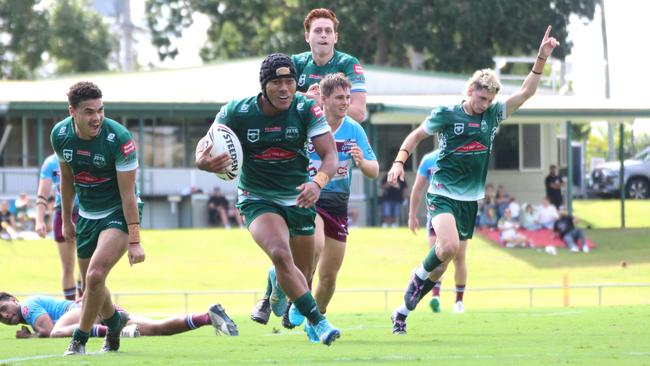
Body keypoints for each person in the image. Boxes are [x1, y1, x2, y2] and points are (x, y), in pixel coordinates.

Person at [386, 26, 559, 335]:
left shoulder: (492, 115)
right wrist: (399, 162)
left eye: (489, 99)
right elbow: (415, 136)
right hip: (441, 194)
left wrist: (541, 58)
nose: (483, 104)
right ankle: (416, 280)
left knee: (443, 261)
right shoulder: (447, 114)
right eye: (480, 98)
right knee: (449, 245)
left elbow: (526, 93)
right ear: (469, 91)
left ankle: (402, 310)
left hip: (470, 200)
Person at [196, 53, 341, 346]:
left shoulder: (305, 108)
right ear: (264, 86)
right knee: (279, 252)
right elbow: (205, 146)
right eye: (277, 82)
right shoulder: (237, 111)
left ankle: (277, 282)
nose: (285, 88)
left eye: (290, 81)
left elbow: (330, 157)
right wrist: (203, 162)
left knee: (302, 274)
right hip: (257, 197)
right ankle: (318, 322)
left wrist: (318, 182)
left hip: (299, 197)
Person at [253, 74, 378, 336]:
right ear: (324, 99)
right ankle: (300, 299)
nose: (346, 103)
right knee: (315, 245)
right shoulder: (308, 123)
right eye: (339, 98)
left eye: (348, 97)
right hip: (310, 197)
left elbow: (374, 170)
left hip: (338, 205)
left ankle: (313, 317)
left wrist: (361, 162)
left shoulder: (354, 129)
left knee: (330, 276)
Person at [50, 81, 146, 355]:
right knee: (93, 283)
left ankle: (79, 339)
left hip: (118, 211)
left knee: (94, 276)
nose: (97, 118)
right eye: (89, 112)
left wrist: (134, 240)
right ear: (73, 112)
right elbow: (66, 181)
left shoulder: (120, 138)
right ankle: (115, 324)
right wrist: (67, 219)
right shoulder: (60, 135)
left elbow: (128, 195)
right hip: (87, 215)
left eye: (101, 110)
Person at [0, 292, 238, 339]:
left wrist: (29, 337)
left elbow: (47, 329)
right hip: (97, 311)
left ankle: (113, 331)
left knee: (56, 335)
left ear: (13, 300)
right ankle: (206, 318)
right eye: (0, 318)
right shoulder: (26, 310)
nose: (4, 316)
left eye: (3, 309)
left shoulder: (28, 306)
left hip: (81, 310)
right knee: (156, 329)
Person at [407, 149, 468, 314]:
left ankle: (458, 302)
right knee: (438, 256)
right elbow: (417, 189)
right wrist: (412, 215)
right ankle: (435, 296)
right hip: (437, 213)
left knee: (459, 258)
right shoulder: (429, 159)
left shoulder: (464, 156)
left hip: (460, 213)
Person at [292, 8, 367, 123]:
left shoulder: (348, 63)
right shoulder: (296, 62)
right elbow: (278, 99)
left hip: (340, 138)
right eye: (318, 31)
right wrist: (307, 97)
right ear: (307, 37)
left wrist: (321, 101)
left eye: (328, 31)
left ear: (335, 37)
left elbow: (359, 113)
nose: (323, 35)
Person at [35, 153, 82, 300]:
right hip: (62, 213)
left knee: (87, 265)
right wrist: (39, 220)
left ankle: (85, 306)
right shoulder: (50, 162)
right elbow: (42, 194)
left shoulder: (82, 153)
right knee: (68, 267)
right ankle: (70, 307)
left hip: (87, 212)